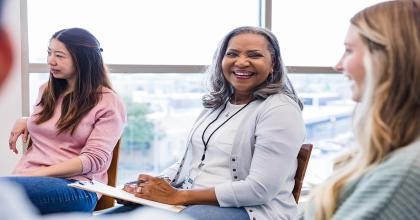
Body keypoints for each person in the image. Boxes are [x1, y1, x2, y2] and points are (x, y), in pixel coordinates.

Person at [107, 26, 306, 220]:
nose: (242, 62)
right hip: (190, 201)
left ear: (273, 65)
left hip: (251, 210)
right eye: (232, 54)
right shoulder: (217, 104)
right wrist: (155, 186)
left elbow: (260, 189)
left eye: (254, 55)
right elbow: (192, 161)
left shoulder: (280, 110)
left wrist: (179, 196)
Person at [302, 1, 420, 220]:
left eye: (348, 50)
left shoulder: (405, 173)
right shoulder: (391, 154)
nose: (338, 65)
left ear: (386, 60)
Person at [3, 27, 127, 214]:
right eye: (49, 52)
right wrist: (27, 120)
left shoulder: (108, 101)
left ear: (83, 60)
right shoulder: (47, 90)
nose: (50, 61)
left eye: (60, 56)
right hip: (28, 180)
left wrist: (35, 175)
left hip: (77, 187)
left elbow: (93, 160)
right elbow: (55, 125)